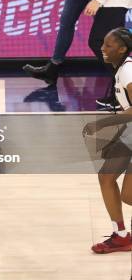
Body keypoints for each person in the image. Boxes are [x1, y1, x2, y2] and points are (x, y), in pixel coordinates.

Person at [82, 28, 132, 254]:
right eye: (103, 43)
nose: (103, 48)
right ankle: (121, 236)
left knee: (129, 196)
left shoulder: (128, 70)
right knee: (106, 177)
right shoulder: (123, 68)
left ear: (122, 49)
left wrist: (102, 123)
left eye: (109, 45)